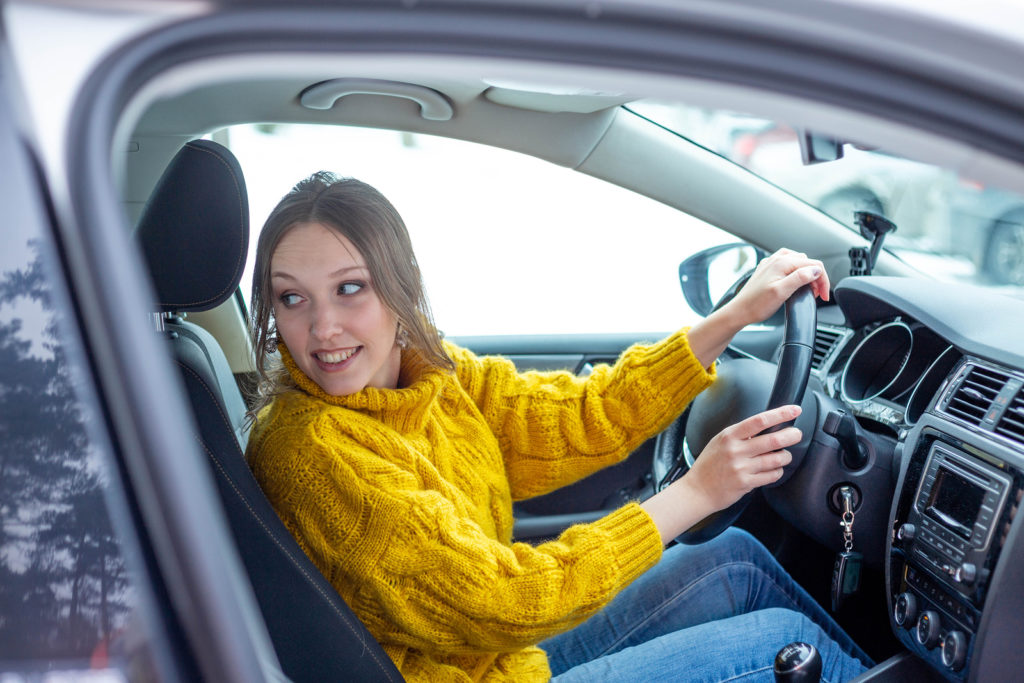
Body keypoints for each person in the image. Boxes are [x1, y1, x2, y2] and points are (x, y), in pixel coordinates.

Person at [245, 172, 872, 682]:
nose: (322, 329)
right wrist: (696, 493)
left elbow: (574, 417)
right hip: (479, 664)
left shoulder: (428, 373)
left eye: (349, 288)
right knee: (779, 645)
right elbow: (507, 600)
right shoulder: (311, 451)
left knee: (734, 559)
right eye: (292, 298)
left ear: (399, 288)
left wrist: (729, 320)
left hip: (498, 660)